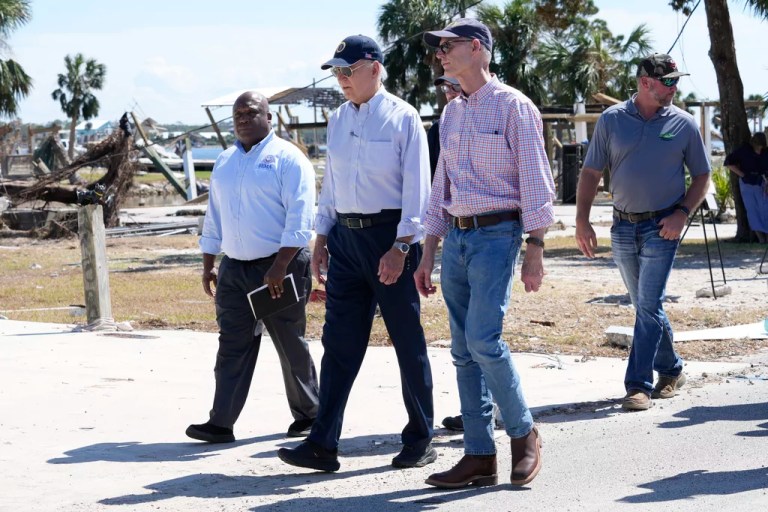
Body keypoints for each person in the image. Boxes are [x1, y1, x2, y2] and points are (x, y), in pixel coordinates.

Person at [277, 35, 435, 472]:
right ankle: (322, 443)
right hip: (345, 239)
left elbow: (416, 193)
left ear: (374, 68)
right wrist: (322, 239)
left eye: (348, 71)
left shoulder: (404, 119)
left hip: (390, 239)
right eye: (337, 72)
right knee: (339, 344)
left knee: (407, 341)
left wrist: (402, 247)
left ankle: (421, 439)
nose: (341, 79)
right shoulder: (337, 120)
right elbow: (332, 185)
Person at [415, 18, 554, 489]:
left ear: (476, 49)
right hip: (455, 239)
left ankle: (524, 433)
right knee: (461, 351)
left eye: (447, 46)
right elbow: (441, 187)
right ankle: (478, 455)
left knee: (483, 340)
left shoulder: (515, 107)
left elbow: (536, 180)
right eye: (438, 48)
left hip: (499, 237)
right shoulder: (452, 113)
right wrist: (428, 249)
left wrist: (536, 247)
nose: (440, 54)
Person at [575, 53, 711, 412]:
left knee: (648, 305)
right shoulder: (611, 119)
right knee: (644, 306)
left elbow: (702, 176)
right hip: (622, 226)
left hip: (663, 226)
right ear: (644, 82)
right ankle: (672, 368)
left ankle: (638, 385)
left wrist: (682, 213)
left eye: (675, 81)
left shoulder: (684, 124)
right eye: (667, 81)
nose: (674, 87)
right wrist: (582, 220)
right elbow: (591, 172)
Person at [187, 91, 320, 443]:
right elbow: (214, 217)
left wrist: (279, 267)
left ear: (269, 117)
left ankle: (310, 415)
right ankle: (221, 423)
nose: (244, 119)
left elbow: (300, 218)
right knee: (232, 344)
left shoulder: (288, 159)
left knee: (289, 343)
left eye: (251, 112)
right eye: (238, 115)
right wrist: (208, 262)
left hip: (278, 269)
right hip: (234, 270)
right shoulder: (226, 161)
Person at [724, 132, 768, 243]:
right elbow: (728, 163)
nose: (759, 149)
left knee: (765, 210)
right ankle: (761, 239)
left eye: (761, 147)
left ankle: (767, 237)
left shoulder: (766, 153)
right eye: (758, 146)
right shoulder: (744, 151)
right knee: (752, 211)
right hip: (747, 183)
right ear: (754, 143)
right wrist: (743, 175)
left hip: (762, 183)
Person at [427, 76, 461, 180]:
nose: (451, 94)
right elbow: (431, 174)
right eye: (446, 88)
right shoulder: (436, 130)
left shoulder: (484, 123)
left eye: (456, 87)